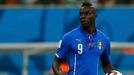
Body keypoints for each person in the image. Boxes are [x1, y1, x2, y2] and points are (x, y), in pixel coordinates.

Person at [52, 1, 122, 75]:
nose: (83, 16)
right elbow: (56, 64)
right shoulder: (69, 37)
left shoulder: (104, 40)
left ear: (95, 15)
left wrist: (114, 73)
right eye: (81, 14)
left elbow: (106, 65)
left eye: (87, 14)